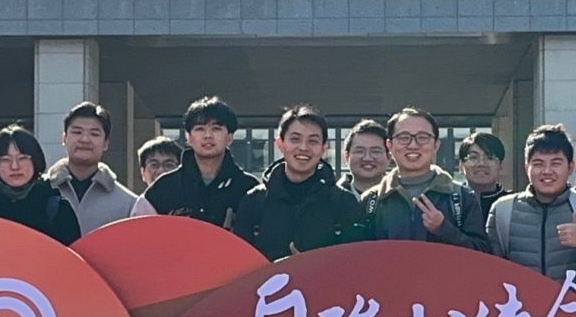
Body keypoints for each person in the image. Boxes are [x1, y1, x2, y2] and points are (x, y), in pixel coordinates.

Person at [487, 125, 576, 288]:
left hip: (574, 304)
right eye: (538, 164)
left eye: (556, 163)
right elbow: (489, 277)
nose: (547, 171)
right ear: (526, 167)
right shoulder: (503, 210)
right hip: (519, 304)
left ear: (570, 167)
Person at [233, 104, 368, 261]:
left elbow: (355, 262)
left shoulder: (344, 202)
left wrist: (306, 268)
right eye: (295, 139)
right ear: (280, 144)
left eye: (313, 141)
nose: (303, 147)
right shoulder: (254, 201)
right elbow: (240, 260)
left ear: (324, 148)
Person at [357, 107, 488, 247]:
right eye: (404, 138)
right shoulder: (371, 201)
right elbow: (358, 254)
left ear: (436, 145)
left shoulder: (462, 197)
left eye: (422, 138)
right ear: (389, 145)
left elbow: (482, 252)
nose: (413, 145)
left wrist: (444, 229)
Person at [133, 97, 254, 226]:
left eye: (216, 128)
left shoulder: (248, 188)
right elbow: (138, 231)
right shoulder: (163, 188)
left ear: (229, 137)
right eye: (200, 129)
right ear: (188, 137)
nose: (208, 135)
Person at [0, 125, 82, 245]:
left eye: (23, 158)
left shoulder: (58, 210)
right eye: (5, 160)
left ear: (35, 160)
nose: (14, 166)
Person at [47, 102, 139, 234]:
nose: (85, 139)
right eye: (77, 132)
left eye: (94, 134)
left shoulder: (128, 204)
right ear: (64, 138)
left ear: (106, 143)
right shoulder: (40, 193)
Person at [457, 130, 509, 215]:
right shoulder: (450, 202)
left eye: (490, 157)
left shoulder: (512, 205)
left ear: (501, 165)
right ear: (461, 165)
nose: (481, 164)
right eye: (473, 157)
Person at [337, 120, 391, 198]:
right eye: (360, 151)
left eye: (375, 151)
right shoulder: (328, 198)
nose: (367, 158)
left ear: (389, 157)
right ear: (346, 156)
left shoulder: (403, 198)